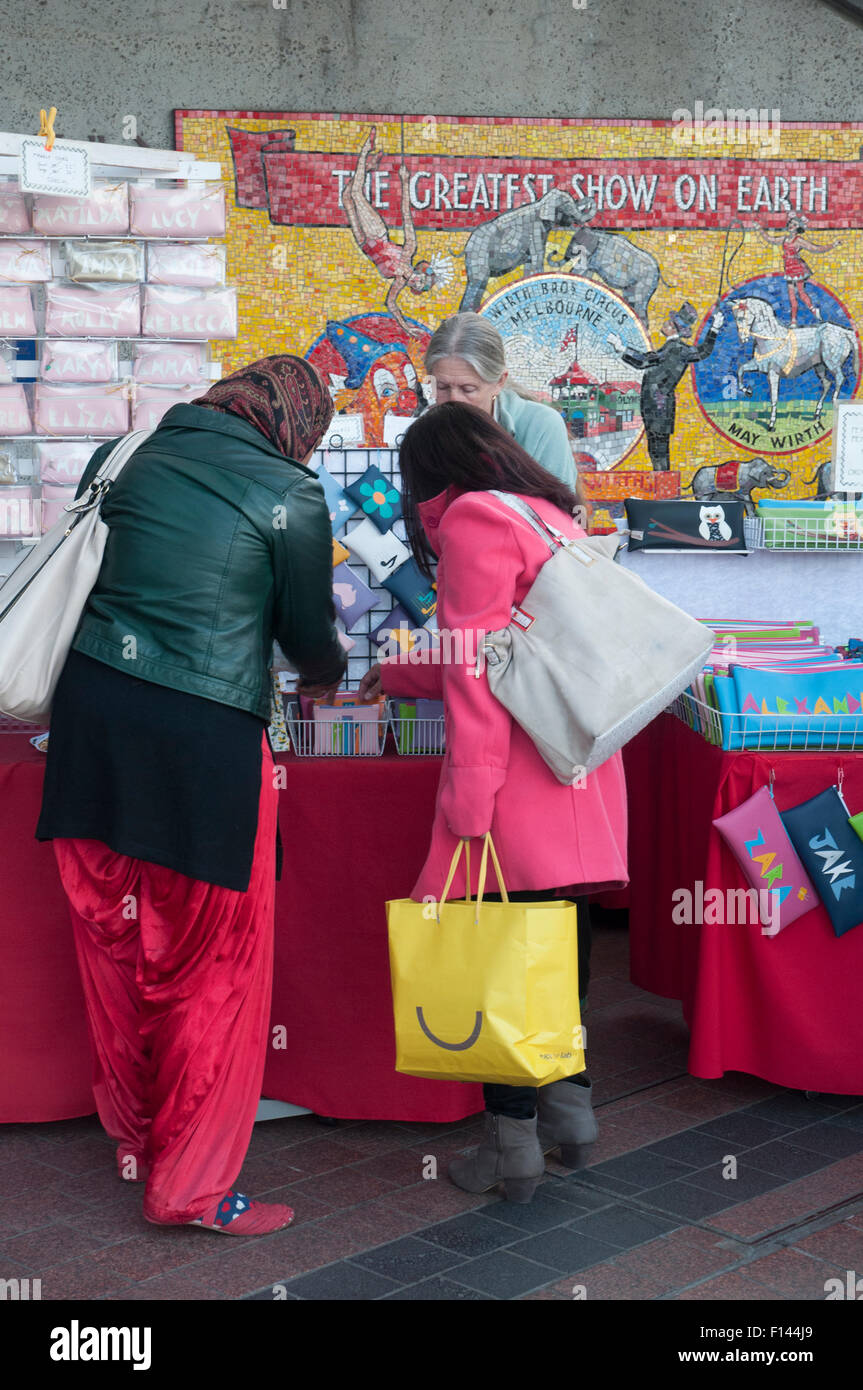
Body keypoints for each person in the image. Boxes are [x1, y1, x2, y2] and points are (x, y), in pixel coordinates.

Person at [36, 356, 346, 1236]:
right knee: (212, 969)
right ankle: (192, 1187)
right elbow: (307, 636)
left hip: (92, 722)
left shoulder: (126, 452)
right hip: (205, 743)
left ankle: (135, 1136)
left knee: (115, 939)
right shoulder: (289, 489)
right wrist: (323, 679)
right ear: (298, 428)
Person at [359, 402, 628, 1203]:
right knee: (556, 945)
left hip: (509, 773)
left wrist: (468, 801)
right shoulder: (544, 512)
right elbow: (511, 647)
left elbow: (476, 670)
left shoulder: (473, 520)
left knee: (495, 956)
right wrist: (403, 673)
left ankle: (510, 1147)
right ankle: (570, 1113)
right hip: (572, 769)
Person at [423, 312, 583, 498]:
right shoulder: (425, 430)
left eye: (468, 389)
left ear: (499, 382)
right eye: (442, 387)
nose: (454, 400)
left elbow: (559, 515)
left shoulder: (541, 426)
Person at [342, 126, 451, 338]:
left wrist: (406, 327)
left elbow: (390, 304)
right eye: (421, 280)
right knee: (356, 193)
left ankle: (369, 165)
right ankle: (366, 150)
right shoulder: (408, 250)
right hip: (377, 234)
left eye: (420, 287)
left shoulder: (399, 283)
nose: (417, 283)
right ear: (421, 272)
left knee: (346, 198)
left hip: (364, 244)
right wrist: (404, 181)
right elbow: (405, 213)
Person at [608, 302, 724, 472]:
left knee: (658, 450)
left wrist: (621, 348)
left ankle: (663, 483)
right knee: (657, 450)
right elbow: (702, 351)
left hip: (658, 408)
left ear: (672, 328)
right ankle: (662, 480)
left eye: (668, 322)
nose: (664, 324)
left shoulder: (675, 348)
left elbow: (644, 360)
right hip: (657, 408)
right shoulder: (673, 348)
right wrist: (714, 328)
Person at [755, 213, 839, 326]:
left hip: (798, 269)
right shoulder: (785, 239)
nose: (791, 226)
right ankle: (793, 320)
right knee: (791, 295)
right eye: (790, 223)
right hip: (789, 269)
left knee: (800, 292)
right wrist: (760, 229)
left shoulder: (798, 240)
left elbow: (816, 248)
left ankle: (813, 309)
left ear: (798, 228)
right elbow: (770, 239)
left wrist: (832, 245)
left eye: (794, 225)